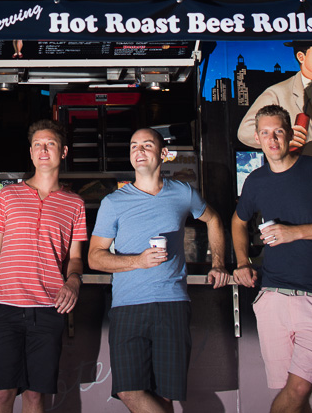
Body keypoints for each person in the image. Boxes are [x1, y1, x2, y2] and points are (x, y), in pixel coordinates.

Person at [88, 126, 229, 413]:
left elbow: (213, 220)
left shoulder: (183, 193)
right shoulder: (113, 203)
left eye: (147, 145)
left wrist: (219, 264)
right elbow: (94, 258)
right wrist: (137, 261)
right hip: (127, 305)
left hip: (172, 303)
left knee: (165, 396)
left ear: (163, 153)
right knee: (128, 391)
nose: (139, 151)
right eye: (133, 146)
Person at [232, 104, 312, 413]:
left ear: (290, 134)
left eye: (278, 131)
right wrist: (241, 261)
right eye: (265, 133)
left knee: (296, 390)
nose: (272, 139)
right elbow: (237, 221)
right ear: (257, 138)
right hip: (273, 297)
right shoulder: (255, 181)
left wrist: (296, 233)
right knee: (296, 397)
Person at [0, 119, 86, 413]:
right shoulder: (8, 196)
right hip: (6, 307)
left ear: (63, 152)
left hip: (48, 310)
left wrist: (74, 281)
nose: (43, 149)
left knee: (36, 396)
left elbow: (75, 258)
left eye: (50, 143)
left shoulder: (75, 203)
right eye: (37, 144)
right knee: (1, 394)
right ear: (30, 152)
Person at [237, 42, 312, 166]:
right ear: (301, 57)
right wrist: (281, 138)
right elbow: (244, 132)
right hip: (294, 175)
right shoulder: (277, 93)